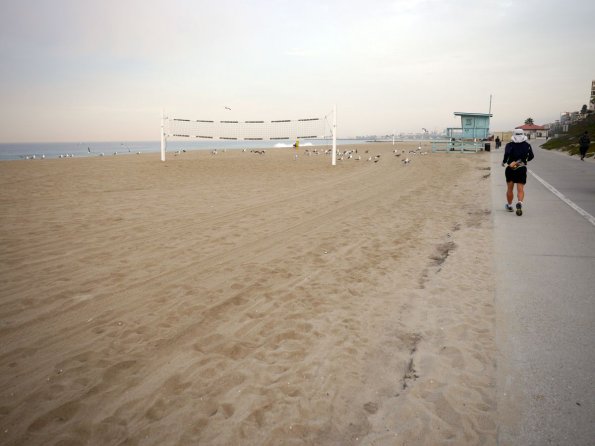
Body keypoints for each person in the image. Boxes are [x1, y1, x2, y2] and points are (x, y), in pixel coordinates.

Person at [502, 129, 535, 216]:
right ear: (523, 134)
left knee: (510, 189)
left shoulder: (509, 145)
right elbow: (531, 156)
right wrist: (524, 161)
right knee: (520, 189)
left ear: (514, 135)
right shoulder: (527, 145)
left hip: (511, 169)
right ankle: (520, 203)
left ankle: (509, 206)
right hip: (521, 169)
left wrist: (504, 162)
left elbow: (506, 155)